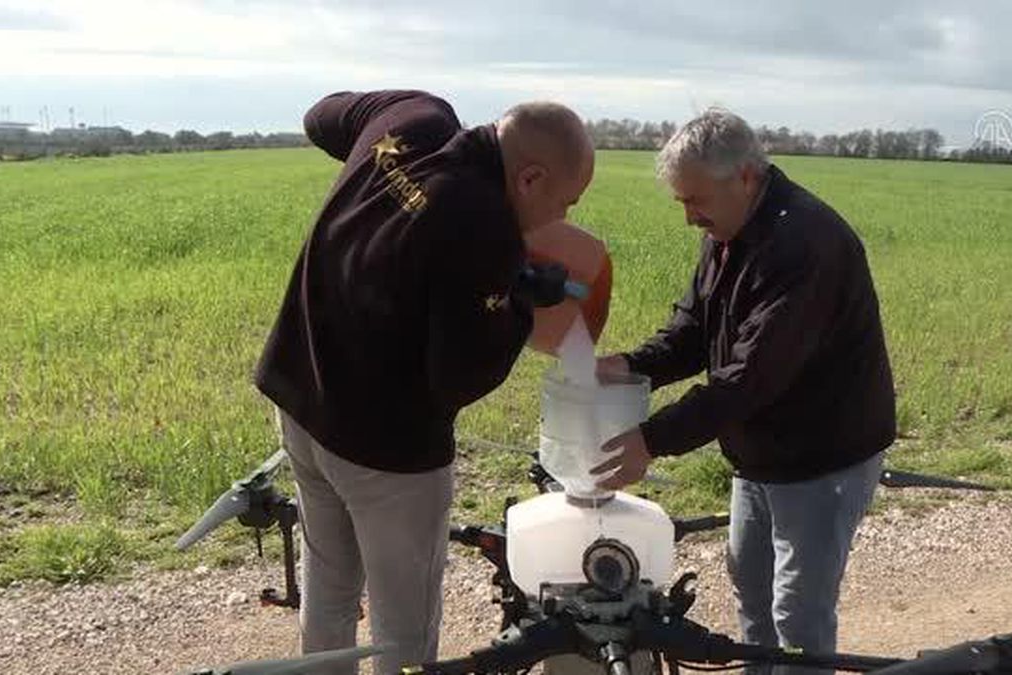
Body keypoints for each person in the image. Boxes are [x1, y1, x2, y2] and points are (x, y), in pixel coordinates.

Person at [255, 90, 594, 674]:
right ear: (531, 178)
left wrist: (389, 198)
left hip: (303, 399)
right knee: (403, 628)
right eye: (565, 203)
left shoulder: (411, 116)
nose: (560, 220)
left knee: (329, 591)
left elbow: (319, 117)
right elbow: (458, 379)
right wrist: (516, 303)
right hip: (386, 452)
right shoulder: (485, 227)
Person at [593, 108, 895, 675]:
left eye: (695, 200)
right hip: (759, 449)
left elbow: (750, 377)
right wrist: (629, 366)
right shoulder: (727, 230)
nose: (689, 217)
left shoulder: (805, 244)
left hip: (823, 455)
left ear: (746, 177)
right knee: (751, 590)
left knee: (798, 614)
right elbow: (693, 331)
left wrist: (650, 440)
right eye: (682, 202)